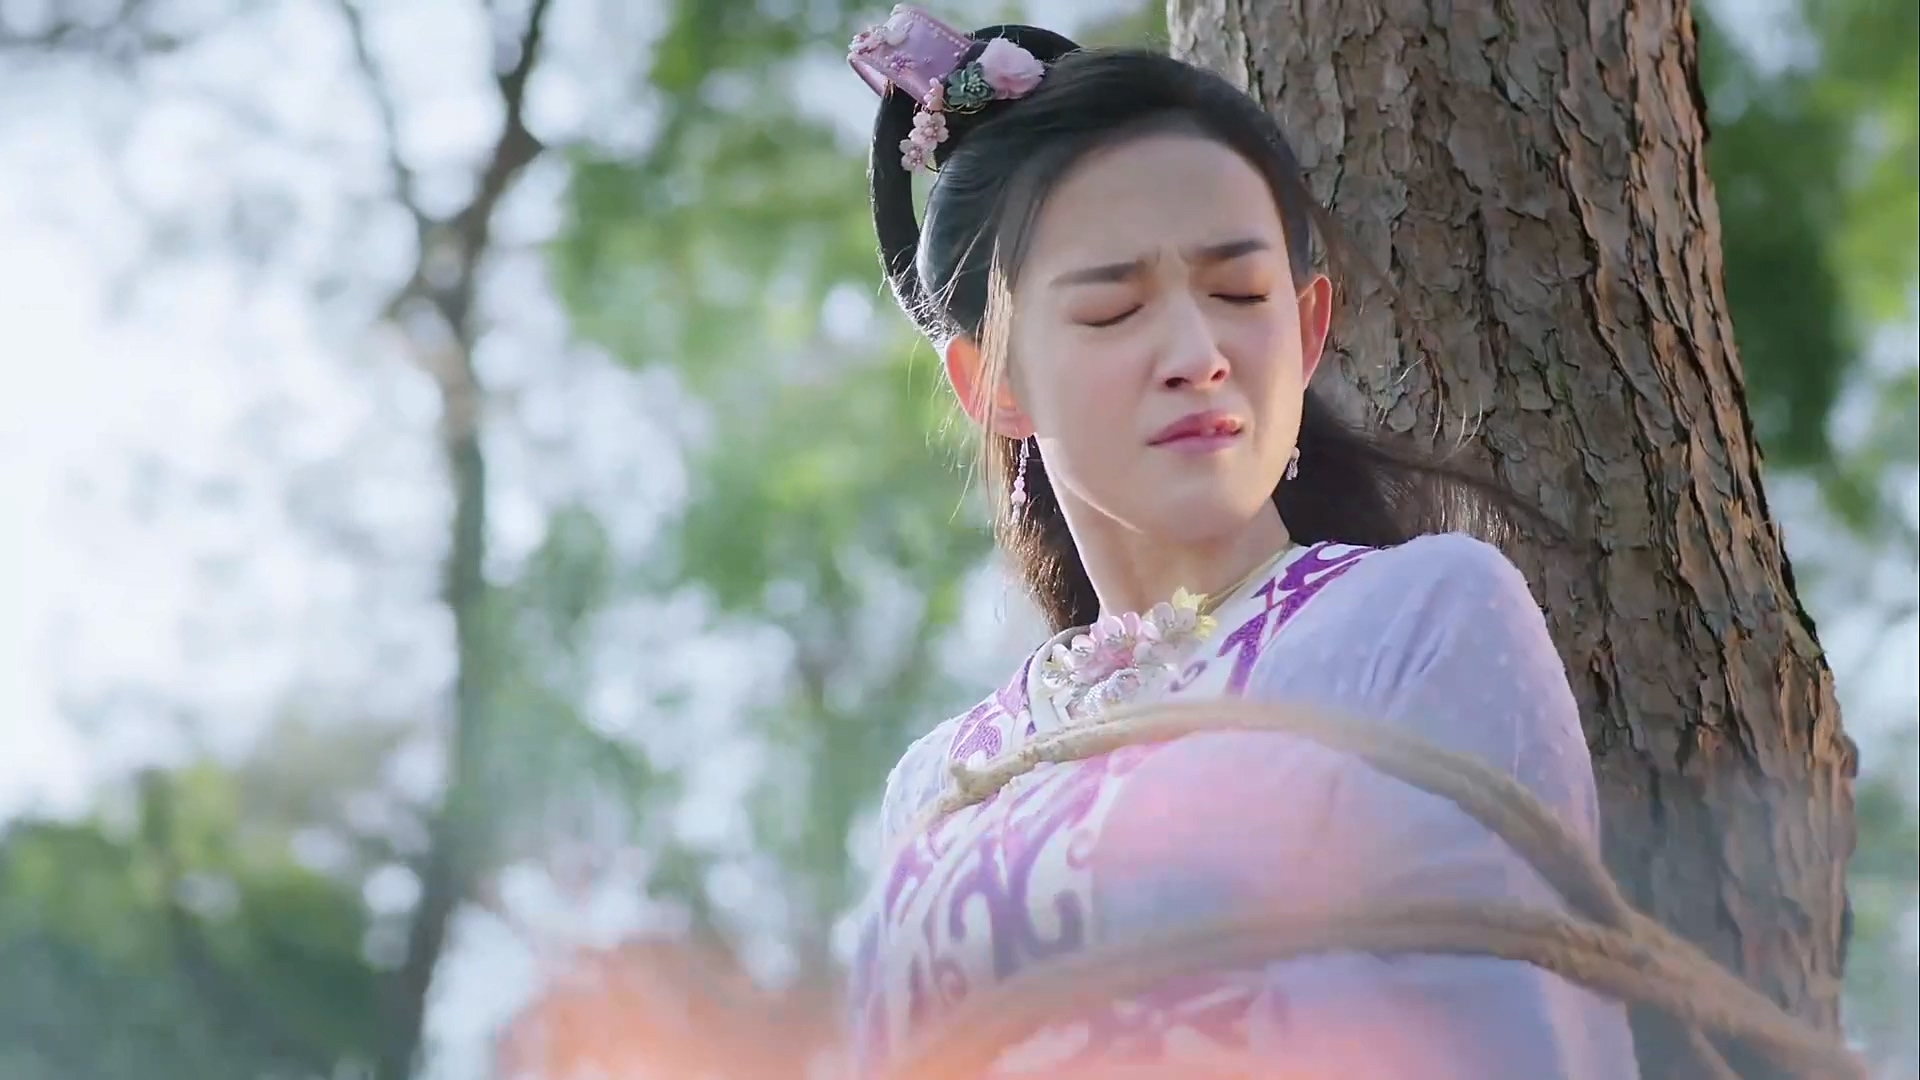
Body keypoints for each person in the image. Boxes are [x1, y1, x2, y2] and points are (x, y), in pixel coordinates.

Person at [842, 6, 1640, 1077]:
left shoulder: (1415, 622)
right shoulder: (938, 785)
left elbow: (1518, 1040)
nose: (1197, 352)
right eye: (1113, 309)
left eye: (1237, 294)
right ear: (993, 381)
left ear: (1306, 332)